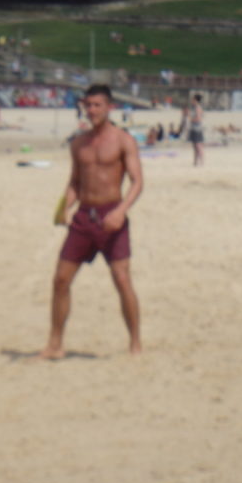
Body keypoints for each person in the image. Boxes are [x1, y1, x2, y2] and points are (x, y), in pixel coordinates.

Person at [40, 84, 143, 359]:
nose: (92, 110)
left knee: (121, 279)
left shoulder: (123, 140)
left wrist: (121, 210)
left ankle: (135, 343)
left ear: (109, 107)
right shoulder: (78, 143)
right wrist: (64, 206)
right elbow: (75, 181)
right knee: (60, 280)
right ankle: (55, 344)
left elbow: (137, 182)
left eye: (98, 105)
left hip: (113, 215)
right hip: (84, 217)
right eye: (89, 105)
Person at [188, 93, 205, 167]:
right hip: (194, 127)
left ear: (195, 100)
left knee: (198, 145)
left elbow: (198, 118)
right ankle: (195, 161)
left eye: (192, 99)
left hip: (197, 128)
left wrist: (191, 119)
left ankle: (201, 161)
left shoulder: (198, 107)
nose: (191, 100)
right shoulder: (194, 107)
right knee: (195, 146)